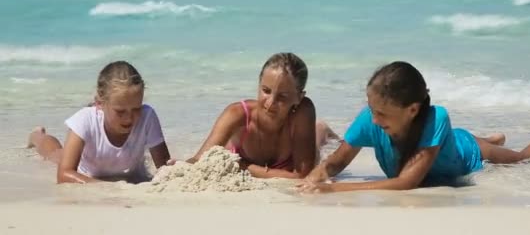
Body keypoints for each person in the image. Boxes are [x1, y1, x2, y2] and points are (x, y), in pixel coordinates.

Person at [298, 60, 530, 193]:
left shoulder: (437, 118)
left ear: (412, 110)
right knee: (461, 139)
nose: (374, 119)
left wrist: (335, 190)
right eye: (372, 109)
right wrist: (317, 175)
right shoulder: (371, 117)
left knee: (523, 156)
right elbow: (337, 160)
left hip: (467, 152)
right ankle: (492, 137)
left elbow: (407, 182)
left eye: (382, 113)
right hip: (446, 144)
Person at [187, 52, 338, 179]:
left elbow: (301, 176)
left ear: (299, 97)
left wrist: (245, 167)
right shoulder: (237, 114)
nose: (271, 102)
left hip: (295, 146)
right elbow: (200, 160)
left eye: (282, 97)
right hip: (282, 165)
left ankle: (321, 129)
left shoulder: (303, 111)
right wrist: (179, 166)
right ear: (258, 85)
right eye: (266, 90)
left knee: (317, 144)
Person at [27, 60, 171, 184]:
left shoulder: (147, 117)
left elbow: (165, 169)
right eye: (120, 112)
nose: (129, 117)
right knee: (55, 154)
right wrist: (110, 187)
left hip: (130, 174)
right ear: (99, 103)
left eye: (136, 109)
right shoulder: (85, 119)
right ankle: (37, 135)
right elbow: (64, 175)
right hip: (88, 173)